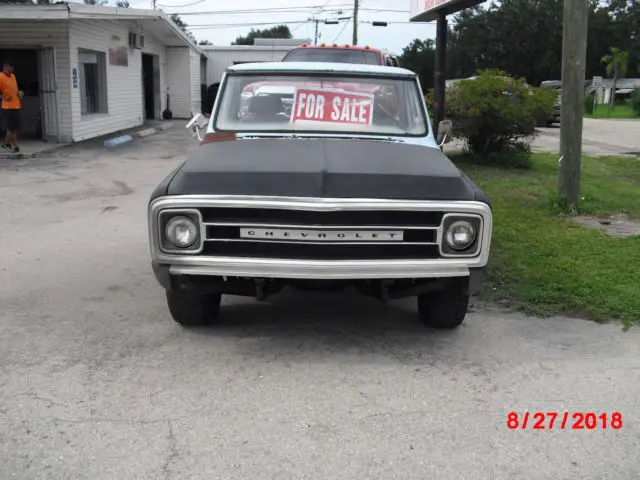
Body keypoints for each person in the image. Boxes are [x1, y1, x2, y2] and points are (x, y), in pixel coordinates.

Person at [0, 60, 22, 153]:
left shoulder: (13, 76)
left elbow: (14, 89)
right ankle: (14, 146)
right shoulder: (0, 77)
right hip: (7, 106)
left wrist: (19, 93)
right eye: (9, 68)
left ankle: (7, 144)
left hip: (16, 105)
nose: (11, 71)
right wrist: (3, 97)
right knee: (11, 127)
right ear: (5, 67)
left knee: (14, 127)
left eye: (12, 69)